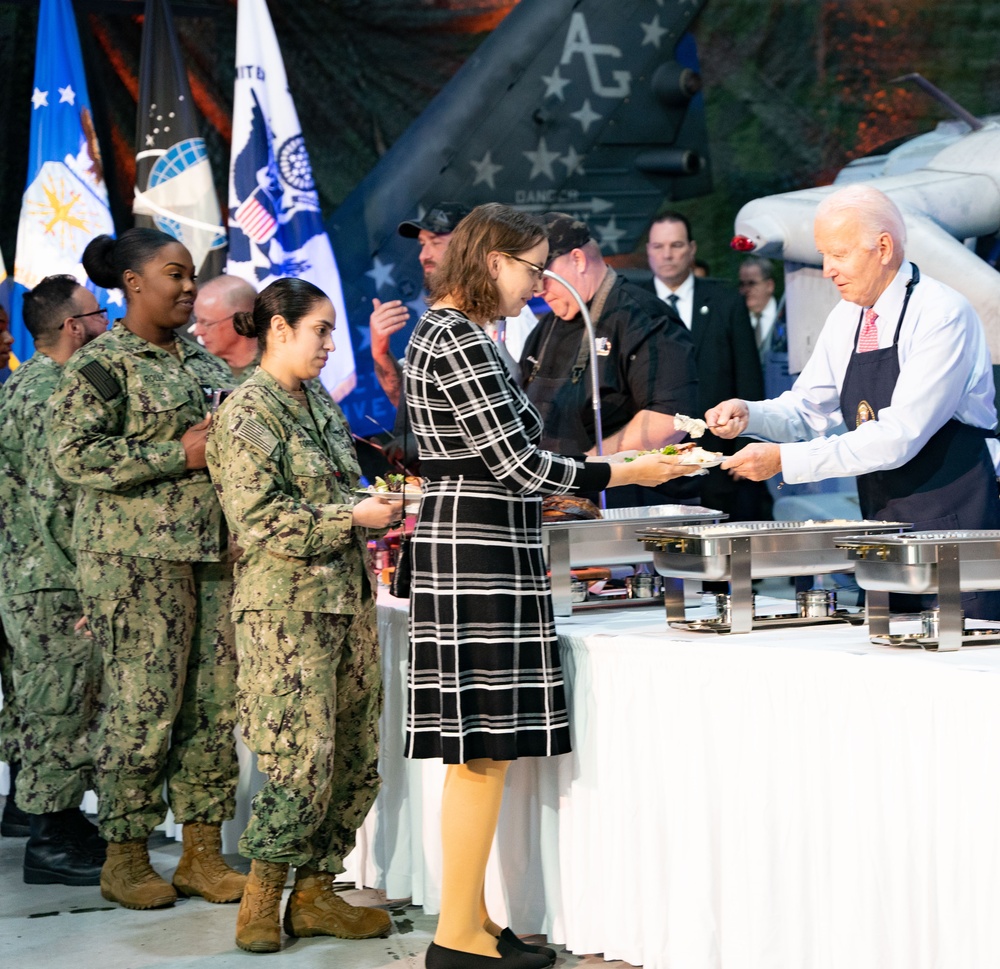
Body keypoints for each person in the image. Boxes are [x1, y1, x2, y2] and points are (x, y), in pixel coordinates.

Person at [404, 202, 697, 969]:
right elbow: (520, 464)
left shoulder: (451, 332)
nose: (537, 287)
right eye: (532, 269)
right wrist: (623, 469)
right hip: (477, 547)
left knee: (480, 746)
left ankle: (472, 915)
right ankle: (455, 935)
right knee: (479, 750)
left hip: (476, 539)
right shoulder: (460, 336)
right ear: (494, 259)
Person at [47, 228, 245, 910]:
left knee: (213, 705)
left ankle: (200, 852)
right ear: (133, 283)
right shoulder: (103, 365)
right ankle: (125, 853)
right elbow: (72, 456)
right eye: (175, 274)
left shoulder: (205, 363)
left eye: (193, 276)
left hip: (211, 556)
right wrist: (174, 456)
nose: (189, 287)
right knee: (143, 705)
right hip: (135, 563)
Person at [205, 277, 396, 953]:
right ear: (278, 329)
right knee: (297, 758)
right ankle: (262, 895)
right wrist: (351, 516)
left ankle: (317, 892)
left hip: (344, 602)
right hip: (287, 615)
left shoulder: (314, 399)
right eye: (320, 329)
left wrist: (376, 503)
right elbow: (259, 519)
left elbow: (336, 487)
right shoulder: (246, 414)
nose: (329, 343)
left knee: (351, 752)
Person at [709, 184, 1000, 619]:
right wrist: (752, 414)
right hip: (885, 528)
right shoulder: (848, 316)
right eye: (824, 254)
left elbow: (898, 437)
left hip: (955, 526)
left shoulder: (941, 314)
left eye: (838, 255)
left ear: (882, 247)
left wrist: (785, 461)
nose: (827, 270)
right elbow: (808, 411)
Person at [0, 276, 108, 886]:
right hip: (53, 577)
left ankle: (54, 821)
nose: (104, 324)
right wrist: (88, 580)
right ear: (73, 326)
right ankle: (51, 839)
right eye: (96, 314)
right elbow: (57, 498)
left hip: (28, 570)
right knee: (59, 710)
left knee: (48, 704)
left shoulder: (21, 386)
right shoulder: (54, 394)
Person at [521, 212, 699, 506]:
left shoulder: (644, 317)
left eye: (544, 274)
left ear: (577, 259)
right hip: (555, 503)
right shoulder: (547, 326)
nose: (538, 289)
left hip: (628, 507)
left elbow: (669, 421)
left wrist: (584, 470)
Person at [644, 211, 772, 520]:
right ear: (648, 251)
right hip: (654, 462)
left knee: (732, 557)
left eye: (675, 245)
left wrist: (747, 444)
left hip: (722, 458)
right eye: (658, 247)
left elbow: (748, 377)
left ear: (691, 248)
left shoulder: (726, 300)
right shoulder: (633, 304)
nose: (667, 255)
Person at [370, 202, 537, 405]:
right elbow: (408, 406)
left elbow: (529, 401)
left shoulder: (510, 315)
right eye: (423, 244)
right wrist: (380, 351)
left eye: (435, 242)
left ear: (468, 250)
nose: (424, 256)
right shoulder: (438, 319)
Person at [189, 274, 259, 382]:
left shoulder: (280, 369)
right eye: (197, 321)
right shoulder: (199, 370)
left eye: (206, 323)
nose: (197, 332)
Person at [738, 255, 778, 353]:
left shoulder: (787, 317)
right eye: (742, 284)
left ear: (769, 285)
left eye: (752, 283)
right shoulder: (736, 320)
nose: (746, 289)